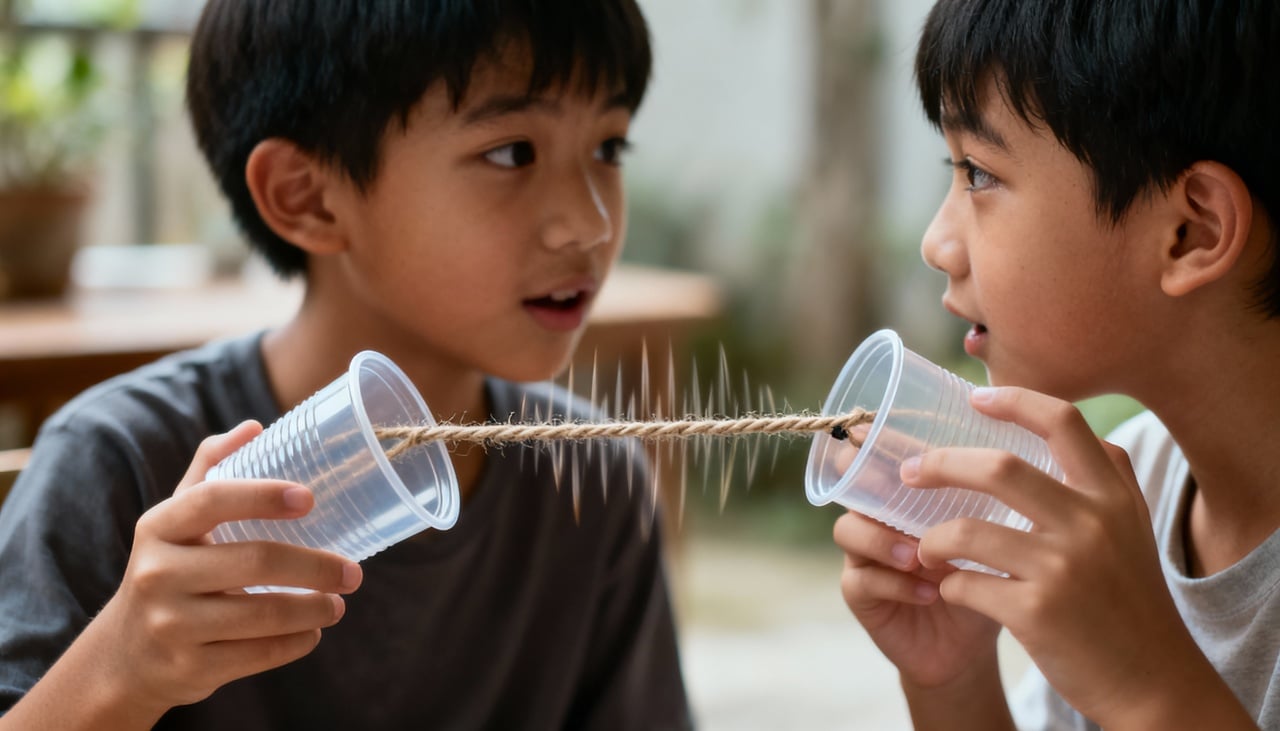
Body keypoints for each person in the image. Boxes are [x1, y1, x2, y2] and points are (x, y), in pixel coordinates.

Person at [0, 2, 691, 729]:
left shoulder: (592, 480)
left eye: (609, 148)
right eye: (512, 152)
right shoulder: (123, 465)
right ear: (306, 196)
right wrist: (122, 665)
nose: (592, 222)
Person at [832, 0, 1280, 729]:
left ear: (1190, 231)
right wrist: (954, 681)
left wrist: (1146, 684)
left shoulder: (1105, 528)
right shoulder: (1120, 486)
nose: (938, 244)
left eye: (977, 173)